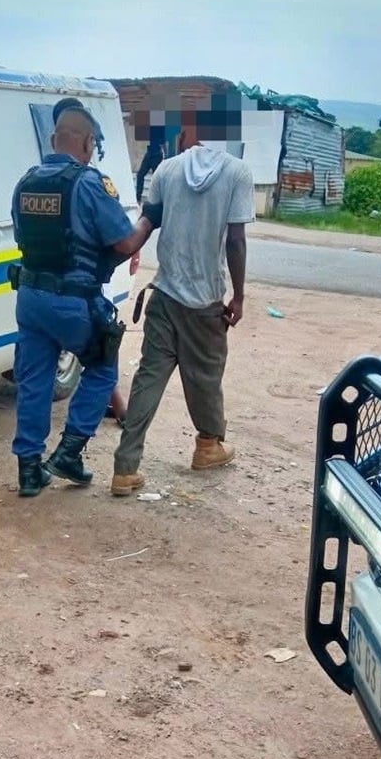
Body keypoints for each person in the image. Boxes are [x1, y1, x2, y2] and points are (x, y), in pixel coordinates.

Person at [11, 100, 153, 497]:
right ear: (88, 142)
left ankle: (29, 470)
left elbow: (22, 236)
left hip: (30, 298)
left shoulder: (26, 182)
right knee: (102, 369)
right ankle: (69, 453)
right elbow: (124, 242)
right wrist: (149, 220)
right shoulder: (88, 183)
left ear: (54, 138)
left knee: (34, 380)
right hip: (72, 302)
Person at [111, 125, 253, 496]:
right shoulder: (237, 172)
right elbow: (235, 242)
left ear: (189, 132)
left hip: (164, 295)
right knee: (206, 376)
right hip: (205, 302)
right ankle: (207, 446)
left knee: (148, 379)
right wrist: (238, 297)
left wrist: (118, 251)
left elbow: (147, 222)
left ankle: (125, 467)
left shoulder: (167, 169)